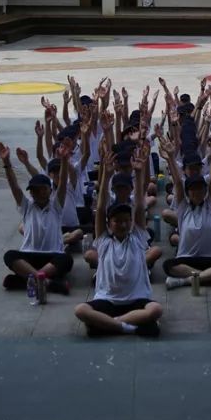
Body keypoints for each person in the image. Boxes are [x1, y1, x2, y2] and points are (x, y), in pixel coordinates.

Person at [74, 141, 163, 336]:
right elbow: (101, 204)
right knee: (80, 310)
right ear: (109, 224)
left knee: (155, 310)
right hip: (108, 300)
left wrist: (139, 173)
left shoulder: (138, 237)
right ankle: (128, 326)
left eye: (126, 221)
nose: (122, 224)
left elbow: (139, 206)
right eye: (117, 221)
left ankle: (108, 324)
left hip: (136, 300)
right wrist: (105, 174)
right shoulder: (104, 241)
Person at [159, 134, 211, 290]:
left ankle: (187, 280)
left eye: (201, 189)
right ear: (188, 193)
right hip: (187, 259)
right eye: (193, 190)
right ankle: (210, 277)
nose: (197, 192)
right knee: (168, 265)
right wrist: (170, 158)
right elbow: (178, 183)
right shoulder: (183, 208)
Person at [0, 142, 74, 294]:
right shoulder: (27, 206)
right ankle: (46, 282)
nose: (38, 193)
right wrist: (6, 163)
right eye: (34, 191)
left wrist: (64, 160)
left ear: (50, 190)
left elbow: (63, 182)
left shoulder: (56, 205)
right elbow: (14, 186)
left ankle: (27, 279)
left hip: (52, 257)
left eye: (42, 189)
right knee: (9, 256)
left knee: (66, 260)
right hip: (29, 255)